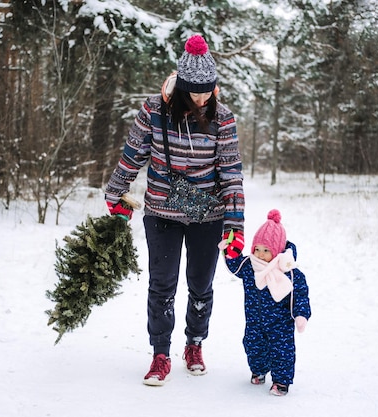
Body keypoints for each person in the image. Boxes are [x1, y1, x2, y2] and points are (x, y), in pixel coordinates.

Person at [104, 34, 245, 386]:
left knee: (201, 284)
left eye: (207, 90)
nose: (201, 98)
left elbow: (231, 172)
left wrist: (235, 225)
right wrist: (115, 193)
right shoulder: (154, 111)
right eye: (194, 91)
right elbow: (132, 154)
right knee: (162, 285)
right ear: (180, 86)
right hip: (162, 212)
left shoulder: (222, 118)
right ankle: (160, 353)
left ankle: (194, 344)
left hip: (207, 215)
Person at [220, 209, 311, 396]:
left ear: (276, 251)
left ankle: (281, 381)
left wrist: (301, 315)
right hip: (255, 319)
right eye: (257, 249)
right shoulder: (249, 265)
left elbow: (300, 294)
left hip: (280, 323)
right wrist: (228, 250)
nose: (260, 255)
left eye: (266, 251)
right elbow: (234, 265)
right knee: (252, 345)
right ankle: (259, 370)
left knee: (282, 351)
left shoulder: (289, 272)